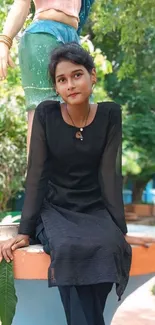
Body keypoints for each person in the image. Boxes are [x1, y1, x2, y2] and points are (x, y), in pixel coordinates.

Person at [0, 43, 155, 325]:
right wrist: (25, 230)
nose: (70, 84)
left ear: (92, 76)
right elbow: (36, 173)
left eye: (77, 75)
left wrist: (119, 230)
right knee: (68, 248)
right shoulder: (47, 114)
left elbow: (110, 175)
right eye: (62, 80)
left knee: (110, 247)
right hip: (55, 210)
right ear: (56, 88)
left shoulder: (110, 114)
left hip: (94, 210)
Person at [0, 0, 94, 154]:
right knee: (43, 111)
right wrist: (4, 41)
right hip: (43, 36)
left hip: (72, 38)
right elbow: (22, 3)